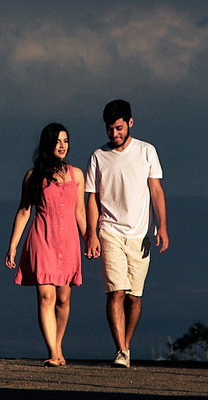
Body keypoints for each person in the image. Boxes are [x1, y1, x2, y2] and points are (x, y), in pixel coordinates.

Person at [84, 99, 168, 368]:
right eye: (110, 129)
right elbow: (92, 197)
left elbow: (156, 190)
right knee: (115, 292)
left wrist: (162, 227)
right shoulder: (98, 156)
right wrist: (91, 234)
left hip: (140, 233)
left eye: (119, 128)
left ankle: (126, 345)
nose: (114, 134)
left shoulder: (147, 151)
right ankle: (120, 350)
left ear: (130, 122)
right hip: (109, 230)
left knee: (134, 297)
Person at [6, 122, 87, 366]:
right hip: (42, 238)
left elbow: (80, 212)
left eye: (65, 141)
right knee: (45, 296)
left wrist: (90, 239)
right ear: (47, 144)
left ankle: (58, 344)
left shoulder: (76, 175)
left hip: (69, 242)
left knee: (63, 299)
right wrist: (13, 246)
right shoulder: (33, 176)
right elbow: (24, 211)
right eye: (57, 141)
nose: (62, 146)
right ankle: (52, 351)